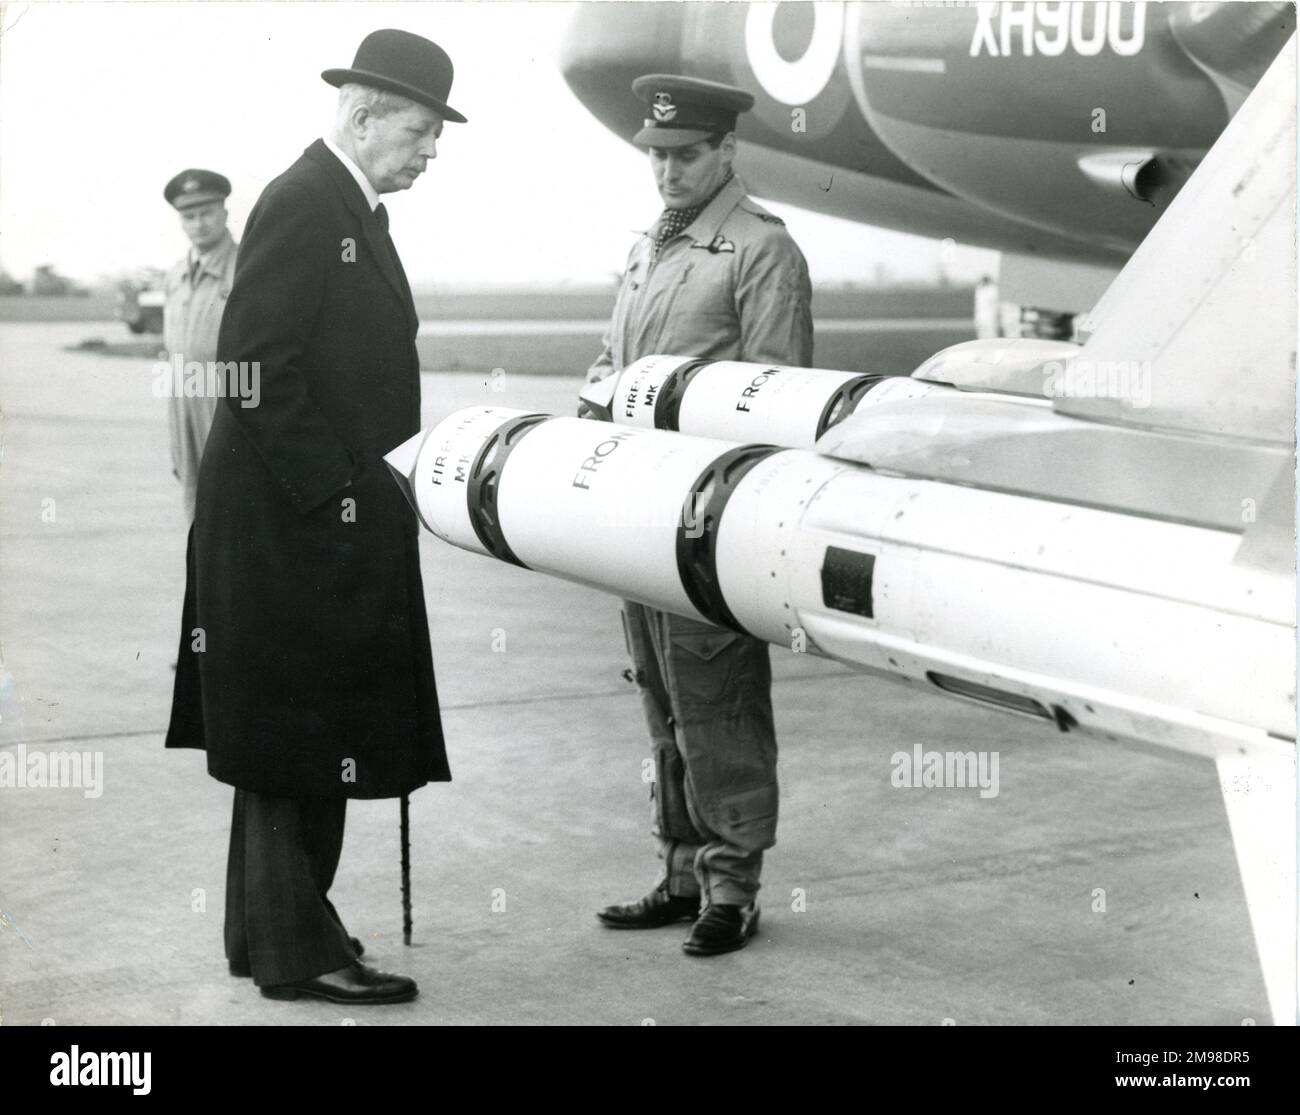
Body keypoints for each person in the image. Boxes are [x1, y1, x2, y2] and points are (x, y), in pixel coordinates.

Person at [164, 29, 466, 1005]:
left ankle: (274, 932)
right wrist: (342, 492)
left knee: (291, 736)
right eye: (419, 130)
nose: (430, 150)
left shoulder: (351, 207)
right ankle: (302, 949)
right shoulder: (305, 202)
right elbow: (251, 371)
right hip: (292, 531)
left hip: (297, 526)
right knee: (302, 734)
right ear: (363, 113)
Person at [584, 74, 813, 956]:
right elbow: (610, 362)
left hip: (706, 521)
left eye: (684, 156)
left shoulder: (760, 250)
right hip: (631, 513)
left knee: (717, 697)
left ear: (726, 151)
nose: (666, 171)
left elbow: (779, 396)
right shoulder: (649, 247)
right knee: (659, 693)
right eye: (655, 155)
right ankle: (679, 869)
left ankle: (733, 885)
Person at [161, 169, 238, 522]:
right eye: (188, 216)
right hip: (184, 405)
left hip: (227, 402)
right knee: (194, 510)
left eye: (206, 212)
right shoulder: (175, 276)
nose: (199, 223)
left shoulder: (246, 268)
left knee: (231, 511)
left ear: (224, 211)